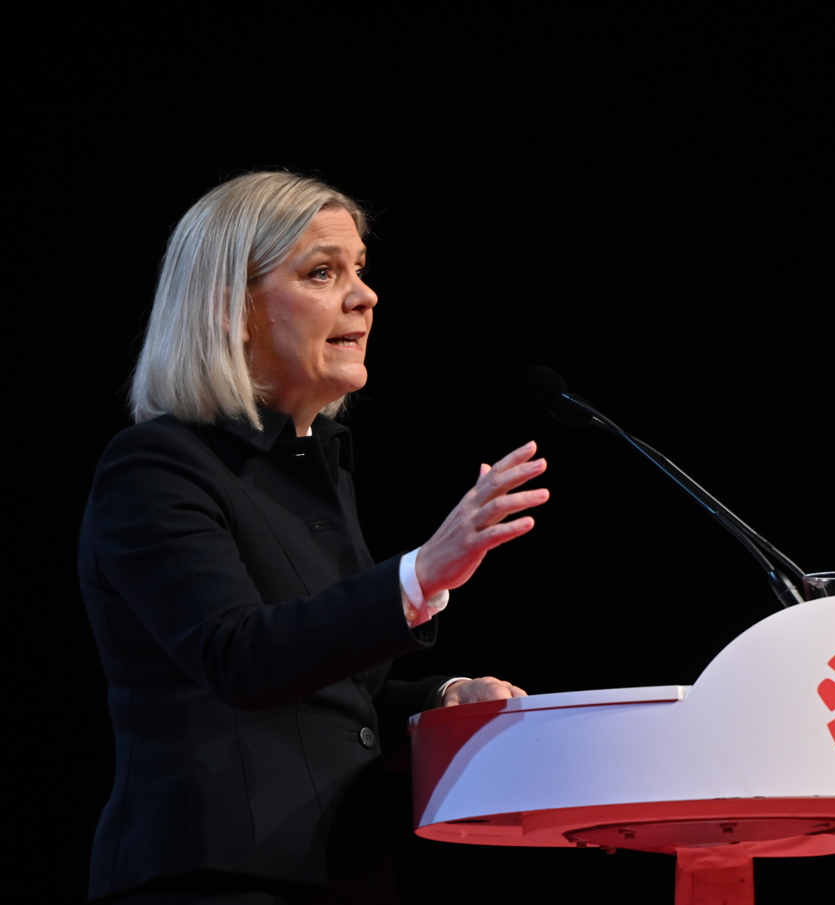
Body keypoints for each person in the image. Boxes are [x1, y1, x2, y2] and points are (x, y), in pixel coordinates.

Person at [80, 171, 549, 904]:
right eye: (322, 272)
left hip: (336, 872)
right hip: (213, 880)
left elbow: (329, 702)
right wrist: (419, 573)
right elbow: (240, 658)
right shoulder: (154, 467)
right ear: (231, 310)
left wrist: (443, 700)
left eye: (359, 269)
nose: (365, 296)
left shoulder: (317, 474)